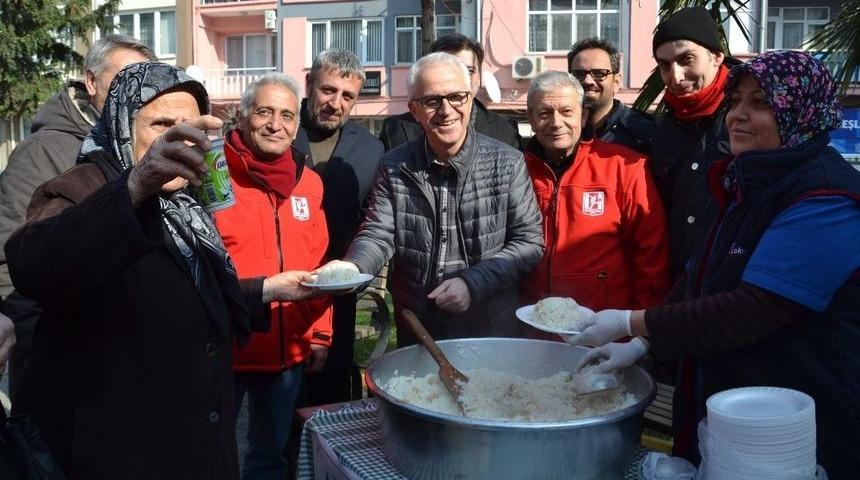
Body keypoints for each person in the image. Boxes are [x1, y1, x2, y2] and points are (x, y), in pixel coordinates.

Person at [4, 62, 317, 479]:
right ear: (123, 125)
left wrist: (266, 290)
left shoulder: (187, 205)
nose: (181, 140)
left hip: (192, 443)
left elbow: (185, 298)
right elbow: (34, 264)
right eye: (162, 125)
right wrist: (137, 183)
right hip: (119, 452)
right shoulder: (84, 184)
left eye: (191, 127)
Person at [567, 51, 860, 479]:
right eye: (735, 101)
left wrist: (634, 322)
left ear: (802, 110)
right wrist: (645, 345)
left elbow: (752, 310)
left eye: (760, 103)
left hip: (796, 431)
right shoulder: (745, 181)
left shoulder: (826, 197)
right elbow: (698, 276)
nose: (737, 116)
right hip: (730, 415)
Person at [321, 52, 543, 346]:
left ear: (470, 98)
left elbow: (529, 242)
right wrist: (353, 267)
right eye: (432, 101)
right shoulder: (394, 165)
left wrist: (472, 283)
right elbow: (378, 233)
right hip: (419, 330)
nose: (446, 110)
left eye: (457, 97)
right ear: (414, 110)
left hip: (489, 329)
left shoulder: (507, 163)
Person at [0, 34, 156, 395]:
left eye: (144, 83)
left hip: (128, 351)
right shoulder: (42, 152)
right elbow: (11, 261)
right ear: (91, 82)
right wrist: (40, 349)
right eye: (124, 80)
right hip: (65, 364)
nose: (136, 93)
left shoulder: (134, 143)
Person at [212, 73, 332, 480]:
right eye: (264, 111)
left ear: (297, 126)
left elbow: (318, 262)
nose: (275, 124)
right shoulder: (212, 177)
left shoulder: (309, 182)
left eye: (286, 115)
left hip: (286, 350)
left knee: (270, 457)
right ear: (243, 117)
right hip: (222, 348)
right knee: (212, 456)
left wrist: (319, 332)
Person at [521, 71, 668, 319]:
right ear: (531, 119)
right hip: (533, 323)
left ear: (584, 115)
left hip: (603, 327)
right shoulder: (515, 170)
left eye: (566, 112)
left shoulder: (625, 167)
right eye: (544, 113)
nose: (556, 122)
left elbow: (651, 257)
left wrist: (640, 329)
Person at [293, 49, 384, 405]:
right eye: (327, 90)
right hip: (281, 292)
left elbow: (371, 220)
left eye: (347, 96)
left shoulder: (371, 149)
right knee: (277, 405)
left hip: (338, 293)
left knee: (329, 398)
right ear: (309, 84)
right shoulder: (278, 130)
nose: (335, 103)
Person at [649, 6, 741, 281]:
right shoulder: (663, 129)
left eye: (686, 59)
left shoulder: (750, 120)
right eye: (664, 65)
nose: (676, 77)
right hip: (679, 283)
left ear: (716, 56)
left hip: (736, 283)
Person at [378, 33, 523, 152]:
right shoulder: (396, 130)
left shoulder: (506, 131)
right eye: (449, 69)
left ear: (479, 76)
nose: (459, 77)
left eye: (468, 70)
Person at [567, 38, 654, 155]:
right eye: (579, 74)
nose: (588, 81)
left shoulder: (645, 132)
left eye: (599, 73)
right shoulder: (559, 131)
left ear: (616, 82)